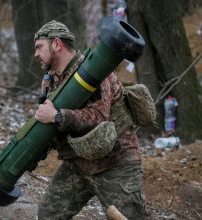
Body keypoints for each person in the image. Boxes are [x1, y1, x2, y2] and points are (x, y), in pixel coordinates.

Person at [33, 20, 146, 219]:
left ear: (57, 44)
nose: (36, 54)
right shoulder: (51, 81)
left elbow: (98, 117)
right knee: (48, 215)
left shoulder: (94, 70)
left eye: (39, 47)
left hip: (116, 164)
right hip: (78, 165)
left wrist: (57, 116)